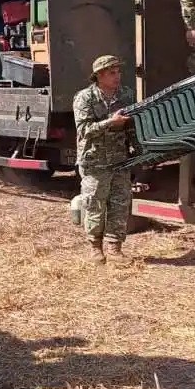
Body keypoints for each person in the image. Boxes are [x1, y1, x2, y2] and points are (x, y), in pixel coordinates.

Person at [72, 55, 134, 265]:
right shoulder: (85, 98)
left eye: (118, 72)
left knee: (120, 204)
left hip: (120, 160)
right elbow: (83, 131)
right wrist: (111, 122)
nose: (117, 77)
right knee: (94, 205)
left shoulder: (126, 94)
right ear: (99, 76)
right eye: (111, 73)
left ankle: (115, 248)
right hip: (95, 161)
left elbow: (134, 126)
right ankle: (94, 248)